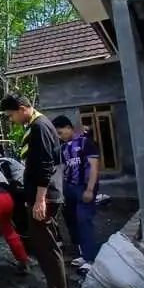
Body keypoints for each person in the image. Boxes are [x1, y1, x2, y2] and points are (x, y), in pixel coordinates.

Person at [0, 93, 68, 288]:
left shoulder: (40, 127)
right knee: (42, 246)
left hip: (45, 198)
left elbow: (46, 166)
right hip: (41, 196)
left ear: (22, 109)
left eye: (11, 115)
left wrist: (40, 200)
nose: (12, 120)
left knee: (47, 248)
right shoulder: (36, 125)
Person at [52, 115, 101, 273]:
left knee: (84, 220)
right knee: (72, 220)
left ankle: (90, 258)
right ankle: (83, 253)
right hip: (70, 187)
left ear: (69, 127)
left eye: (60, 133)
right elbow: (65, 169)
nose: (60, 137)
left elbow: (94, 167)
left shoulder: (86, 143)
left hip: (84, 186)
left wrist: (90, 189)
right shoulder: (64, 147)